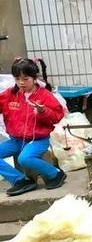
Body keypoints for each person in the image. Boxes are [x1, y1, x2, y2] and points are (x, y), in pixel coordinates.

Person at [0, 58, 66, 196]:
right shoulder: (9, 95)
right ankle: (20, 180)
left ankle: (55, 174)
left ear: (34, 78)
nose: (21, 83)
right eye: (17, 79)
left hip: (38, 140)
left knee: (24, 158)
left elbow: (57, 115)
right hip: (16, 140)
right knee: (21, 157)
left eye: (26, 79)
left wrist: (43, 112)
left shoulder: (44, 95)